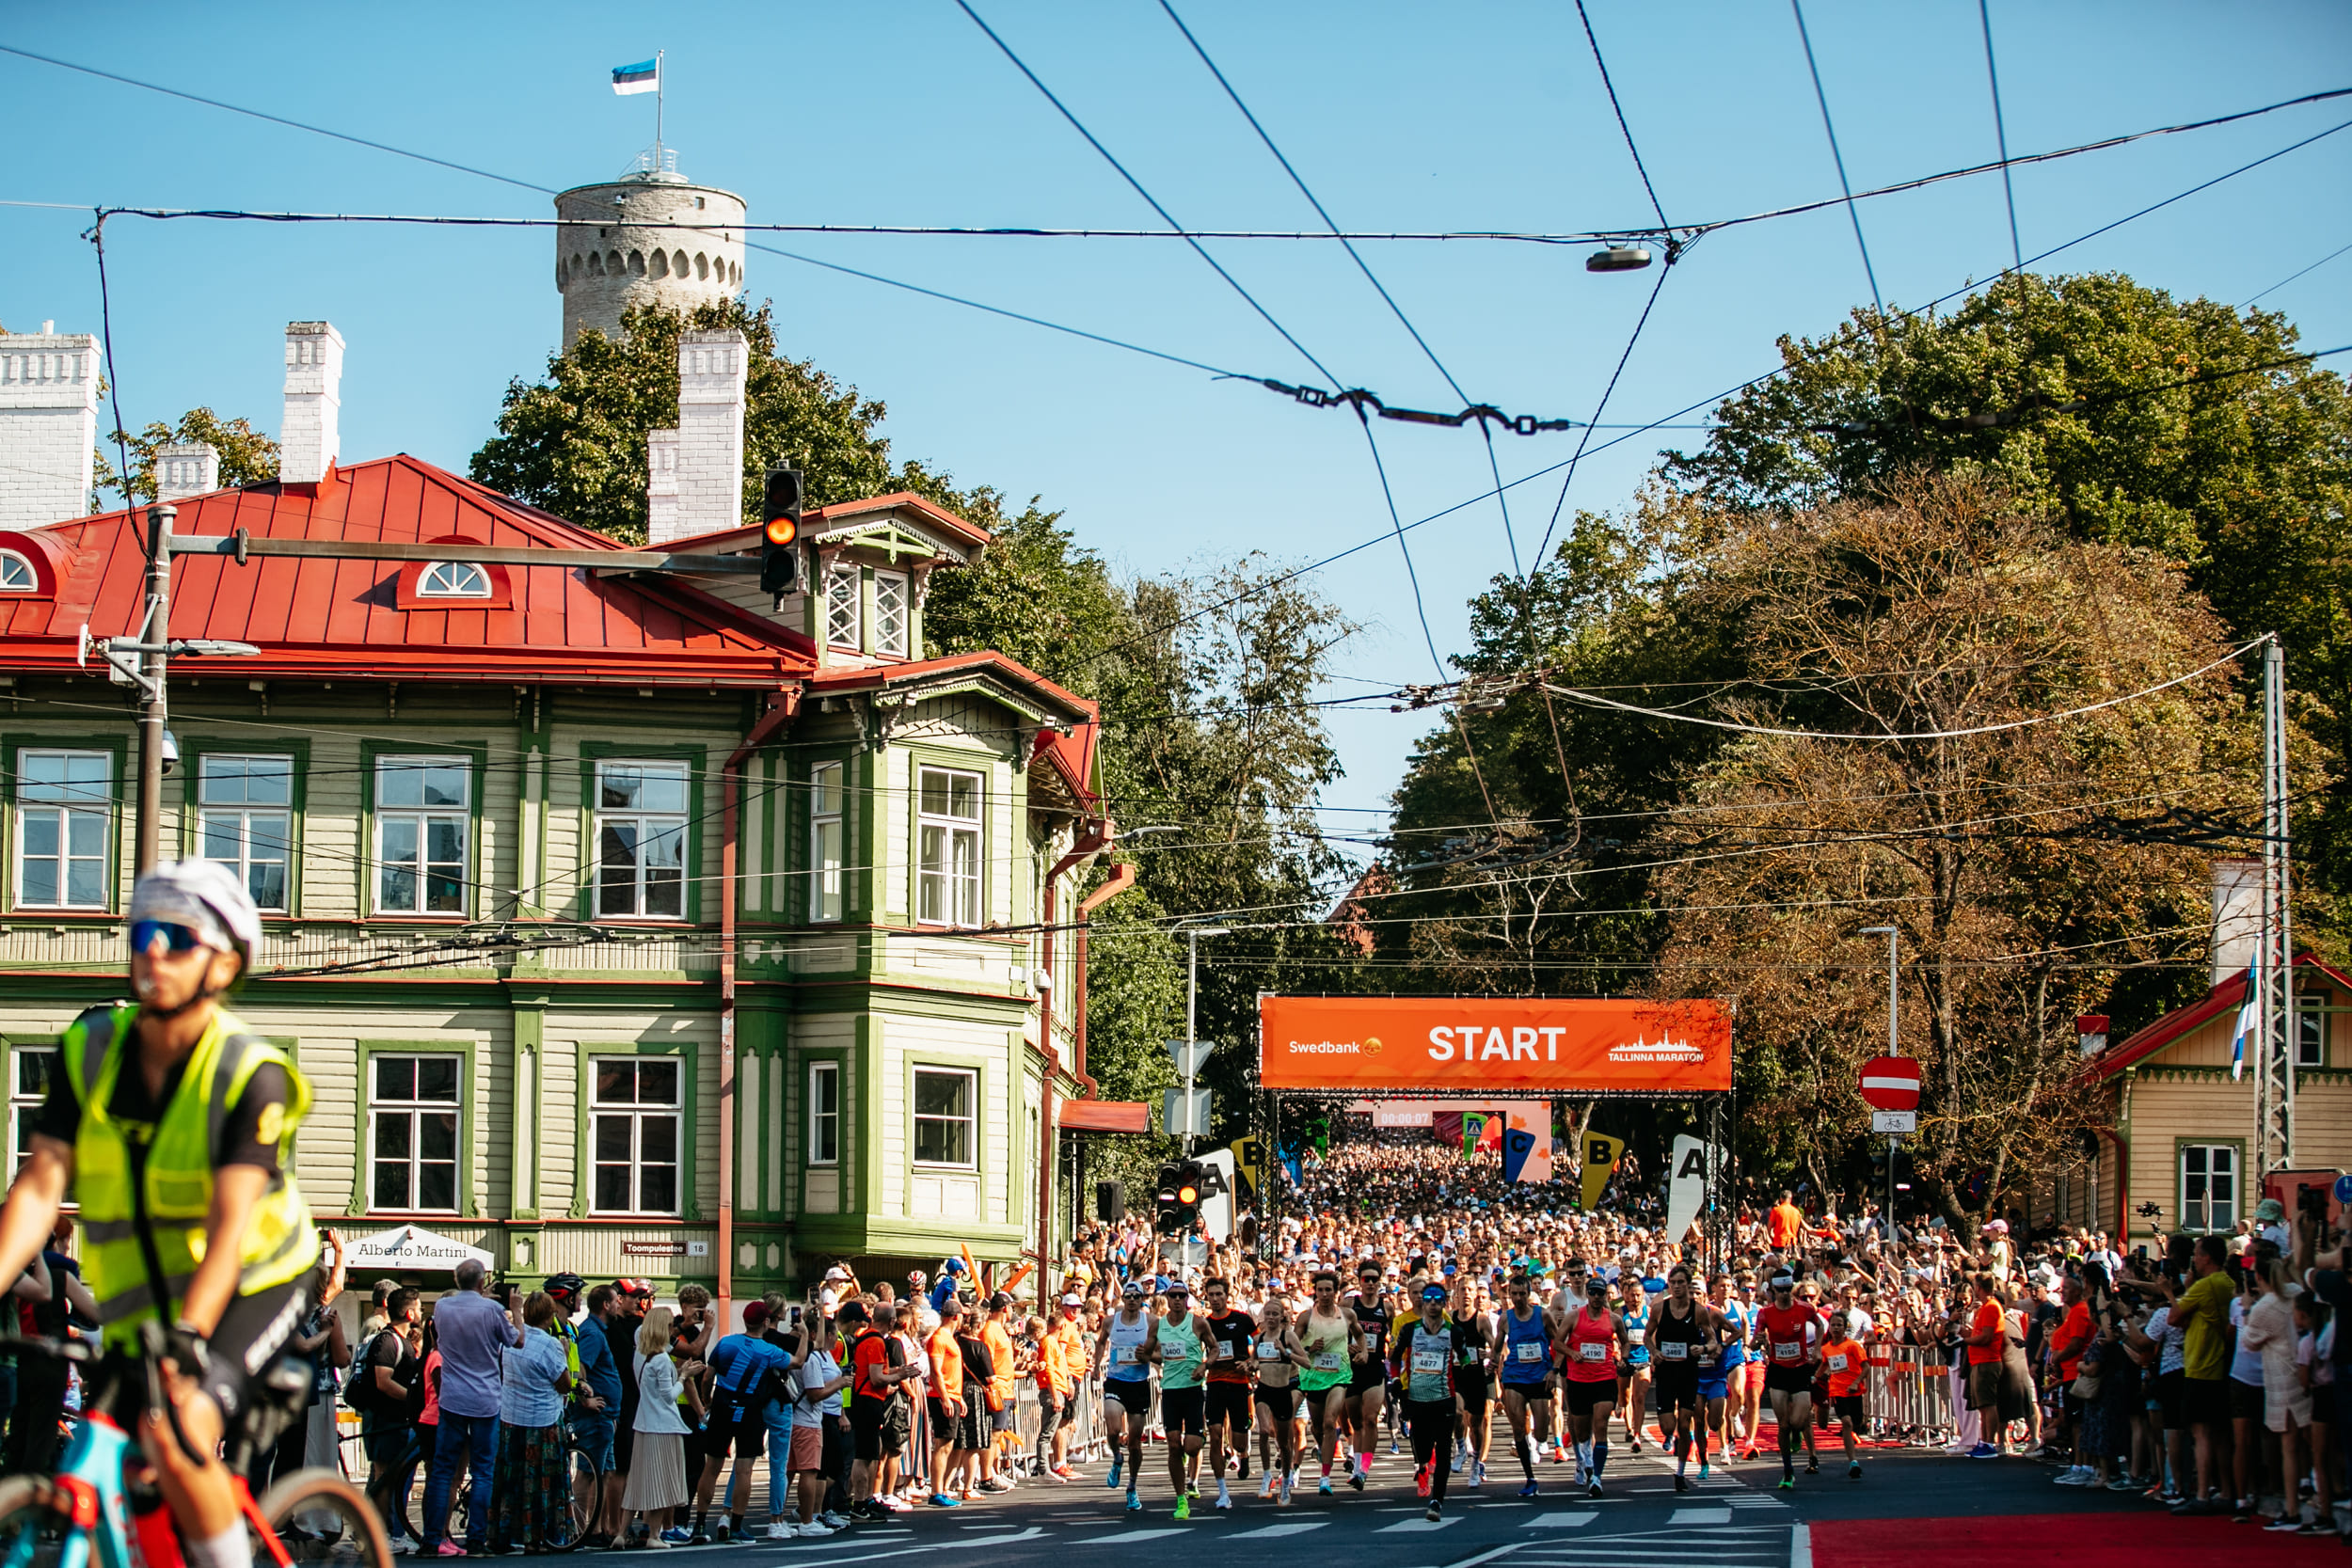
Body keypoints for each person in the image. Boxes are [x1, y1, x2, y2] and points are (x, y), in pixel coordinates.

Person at [0, 863, 317, 1568]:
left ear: (227, 960)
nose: (152, 951)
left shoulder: (248, 1071)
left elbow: (231, 1229)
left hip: (253, 1279)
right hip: (145, 1290)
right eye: (143, 932)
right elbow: (38, 1186)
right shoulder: (89, 1051)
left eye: (177, 936)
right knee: (122, 1455)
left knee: (178, 1428)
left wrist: (186, 1338)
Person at [422, 1261, 523, 1556]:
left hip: (453, 1398)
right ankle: (477, 1539)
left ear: (457, 1279)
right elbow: (517, 1340)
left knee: (442, 1471)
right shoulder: (491, 1311)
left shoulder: (442, 1309)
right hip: (485, 1399)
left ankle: (432, 1538)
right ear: (482, 1283)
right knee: (482, 1472)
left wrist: (480, 1299)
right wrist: (515, 1309)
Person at [488, 1291, 578, 1553]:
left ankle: (502, 1534)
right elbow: (563, 1384)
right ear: (550, 1317)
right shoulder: (550, 1345)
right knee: (541, 1483)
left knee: (509, 1479)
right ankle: (536, 1537)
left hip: (511, 1416)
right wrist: (563, 1352)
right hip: (543, 1421)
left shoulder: (510, 1341)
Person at [622, 1307, 693, 1546]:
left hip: (643, 1423)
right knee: (662, 1483)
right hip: (663, 1426)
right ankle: (654, 1534)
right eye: (671, 1326)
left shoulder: (640, 1354)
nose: (674, 1330)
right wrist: (683, 1376)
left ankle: (621, 1534)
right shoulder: (662, 1359)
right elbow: (668, 1396)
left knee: (637, 1481)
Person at [1754, 1270, 1824, 1492]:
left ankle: (1796, 1434)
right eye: (1780, 1290)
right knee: (1783, 1424)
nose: (1784, 1294)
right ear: (1773, 1290)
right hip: (1778, 1371)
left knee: (1798, 1419)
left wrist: (1819, 1349)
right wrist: (1759, 1341)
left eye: (1787, 1289)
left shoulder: (1804, 1309)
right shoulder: (1765, 1313)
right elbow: (1755, 1342)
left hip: (1800, 1369)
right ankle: (1787, 1471)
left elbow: (1820, 1325)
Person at [1647, 1265, 1714, 1492]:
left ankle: (1681, 1471)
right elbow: (1647, 1336)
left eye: (1681, 1283)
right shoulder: (1659, 1309)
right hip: (1666, 1373)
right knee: (1668, 1427)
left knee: (1685, 1423)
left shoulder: (1699, 1311)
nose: (1676, 1287)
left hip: (1688, 1373)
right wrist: (1654, 1352)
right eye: (1673, 1283)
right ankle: (1674, 1439)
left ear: (1688, 1285)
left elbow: (1713, 1341)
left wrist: (1702, 1349)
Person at [1148, 1279, 1209, 1519]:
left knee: (1192, 1446)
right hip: (1171, 1390)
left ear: (1187, 1299)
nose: (1176, 1299)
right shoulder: (1159, 1326)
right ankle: (1181, 1499)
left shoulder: (1198, 1323)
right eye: (1172, 1295)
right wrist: (1160, 1357)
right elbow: (1148, 1351)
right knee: (1173, 1444)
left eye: (1181, 1295)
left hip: (1193, 1389)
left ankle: (1191, 1448)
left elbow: (1213, 1349)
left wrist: (1204, 1366)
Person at [1556, 1272, 1621, 1497]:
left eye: (1599, 1293)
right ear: (1587, 1294)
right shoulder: (1574, 1317)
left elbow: (1625, 1341)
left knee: (1601, 1425)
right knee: (1582, 1431)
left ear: (1604, 1296)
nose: (1595, 1296)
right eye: (1591, 1292)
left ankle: (1597, 1478)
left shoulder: (1613, 1319)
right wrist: (1571, 1353)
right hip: (1578, 1380)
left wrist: (1623, 1357)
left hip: (1604, 1378)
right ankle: (1584, 1458)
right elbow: (1557, 1341)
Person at [1295, 1271, 1359, 1497]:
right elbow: (1294, 1347)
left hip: (1339, 1376)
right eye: (1320, 1290)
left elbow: (1360, 1335)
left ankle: (1325, 1478)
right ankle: (1324, 1449)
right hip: (1313, 1378)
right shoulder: (1305, 1317)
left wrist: (1363, 1352)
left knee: (1331, 1422)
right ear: (1315, 1292)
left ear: (1336, 1292)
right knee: (1319, 1427)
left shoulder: (1347, 1315)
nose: (1324, 1294)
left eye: (1328, 1290)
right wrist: (1310, 1349)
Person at [569, 1285, 623, 1548]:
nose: (618, 1304)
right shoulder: (592, 1332)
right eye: (615, 1301)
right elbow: (581, 1367)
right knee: (588, 1473)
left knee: (605, 1473)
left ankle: (597, 1528)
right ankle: (581, 1529)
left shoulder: (597, 1331)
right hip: (596, 1416)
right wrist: (585, 1399)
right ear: (605, 1305)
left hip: (607, 1415)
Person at [1094, 1279, 1153, 1511]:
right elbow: (1100, 1342)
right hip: (1116, 1381)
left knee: (1136, 1442)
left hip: (1139, 1383)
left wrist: (1148, 1355)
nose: (1131, 1300)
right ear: (1123, 1299)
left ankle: (1132, 1486)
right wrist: (1096, 1367)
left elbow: (1159, 1347)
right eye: (1127, 1297)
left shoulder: (1151, 1322)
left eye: (1135, 1297)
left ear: (1141, 1300)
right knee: (1113, 1429)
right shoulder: (1111, 1321)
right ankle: (1117, 1457)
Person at [1496, 1274, 1554, 1497]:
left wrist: (1554, 1369)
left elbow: (1557, 1341)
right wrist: (1493, 1362)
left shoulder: (1543, 1315)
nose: (1518, 1298)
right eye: (1514, 1294)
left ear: (1529, 1294)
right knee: (1518, 1427)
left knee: (1541, 1433)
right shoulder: (1506, 1319)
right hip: (1514, 1376)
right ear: (1509, 1295)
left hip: (1539, 1377)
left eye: (1522, 1294)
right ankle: (1530, 1477)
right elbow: (1497, 1347)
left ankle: (1536, 1441)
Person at [1250, 1290, 1305, 1502]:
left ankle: (1286, 1479)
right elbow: (1255, 1361)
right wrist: (1249, 1365)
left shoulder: (1289, 1336)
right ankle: (1266, 1476)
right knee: (1264, 1430)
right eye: (1268, 1314)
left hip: (1287, 1387)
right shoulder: (1259, 1338)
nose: (1272, 1317)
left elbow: (1305, 1361)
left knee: (1285, 1439)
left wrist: (1286, 1352)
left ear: (1283, 1315)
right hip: (1265, 1387)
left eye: (1276, 1313)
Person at [1343, 1261, 1391, 1489]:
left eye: (1374, 1279)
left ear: (1380, 1281)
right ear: (1359, 1281)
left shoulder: (1386, 1308)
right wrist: (1346, 1347)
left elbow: (1397, 1333)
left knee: (1370, 1419)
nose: (1370, 1283)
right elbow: (1334, 1331)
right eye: (1366, 1279)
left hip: (1374, 1367)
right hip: (1352, 1369)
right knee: (1355, 1422)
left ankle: (1364, 1470)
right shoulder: (1350, 1305)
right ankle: (1358, 1465)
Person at [1817, 1310, 1867, 1479]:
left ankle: (1852, 1435)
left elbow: (1866, 1367)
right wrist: (1813, 1378)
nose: (1836, 1328)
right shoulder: (1826, 1349)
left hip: (1855, 1390)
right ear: (1829, 1328)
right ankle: (1853, 1462)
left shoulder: (1853, 1346)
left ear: (1845, 1328)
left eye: (1840, 1325)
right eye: (1833, 1325)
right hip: (1838, 1391)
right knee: (1846, 1422)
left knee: (1856, 1424)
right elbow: (1823, 1366)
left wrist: (1855, 1382)